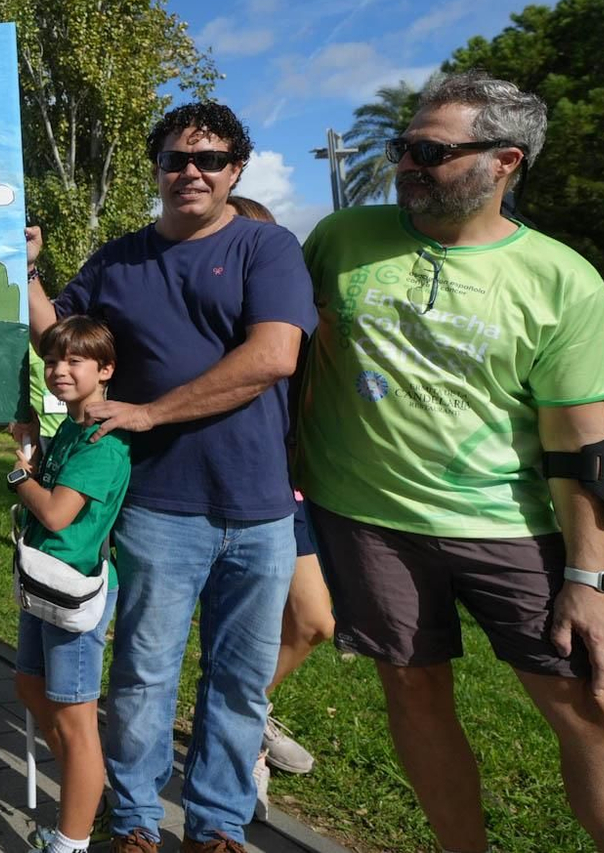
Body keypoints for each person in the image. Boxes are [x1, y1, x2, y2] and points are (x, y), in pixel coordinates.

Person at [296, 72, 604, 852]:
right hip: (366, 519)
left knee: (595, 704)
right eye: (403, 146)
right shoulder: (341, 239)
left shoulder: (561, 279)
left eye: (431, 151)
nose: (407, 163)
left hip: (507, 525)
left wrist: (591, 581)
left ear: (505, 161)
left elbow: (585, 445)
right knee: (413, 690)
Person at [28, 102, 315, 853]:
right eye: (176, 158)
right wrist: (27, 273)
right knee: (144, 675)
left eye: (210, 159)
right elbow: (58, 340)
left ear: (235, 171)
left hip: (259, 505)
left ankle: (218, 823)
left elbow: (273, 355)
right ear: (155, 169)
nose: (192, 171)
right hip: (158, 504)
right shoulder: (118, 259)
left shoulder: (267, 247)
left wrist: (152, 412)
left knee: (240, 679)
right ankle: (135, 820)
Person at [14, 316, 131, 853]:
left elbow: (58, 514)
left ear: (105, 370)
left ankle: (73, 839)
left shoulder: (104, 443)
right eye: (52, 361)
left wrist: (19, 477)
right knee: (29, 686)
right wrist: (32, 452)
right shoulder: (71, 428)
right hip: (42, 581)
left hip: (73, 592)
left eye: (74, 361)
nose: (59, 370)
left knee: (75, 719)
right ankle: (89, 798)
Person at [227, 193, 332, 777]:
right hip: (206, 490)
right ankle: (241, 733)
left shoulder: (292, 319)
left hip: (285, 487)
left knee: (315, 621)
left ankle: (243, 709)